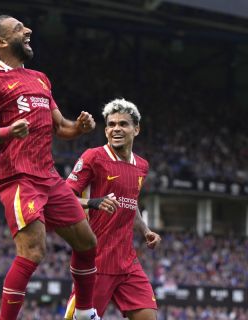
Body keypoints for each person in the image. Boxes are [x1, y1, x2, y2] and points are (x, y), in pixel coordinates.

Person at [0, 15, 100, 320]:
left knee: (87, 243)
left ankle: (84, 313)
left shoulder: (41, 78)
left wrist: (78, 127)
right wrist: (8, 131)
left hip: (49, 178)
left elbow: (62, 128)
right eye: (18, 29)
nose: (27, 31)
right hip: (18, 177)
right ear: (0, 42)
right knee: (33, 252)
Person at [63, 98, 162, 320]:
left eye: (123, 124)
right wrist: (93, 202)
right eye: (111, 124)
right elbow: (63, 196)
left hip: (128, 263)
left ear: (136, 129)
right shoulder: (93, 157)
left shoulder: (142, 166)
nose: (116, 129)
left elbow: (131, 201)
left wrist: (145, 231)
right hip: (96, 262)